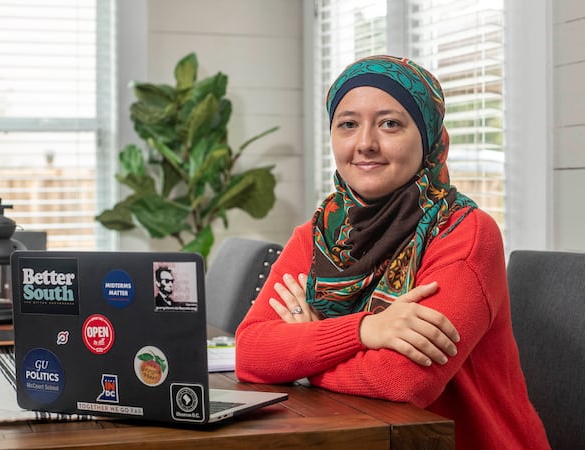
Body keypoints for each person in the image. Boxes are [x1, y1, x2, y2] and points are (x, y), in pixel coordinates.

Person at [235, 55, 550, 450]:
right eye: (348, 124)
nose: (365, 143)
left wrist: (300, 357)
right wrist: (366, 329)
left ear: (428, 136)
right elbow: (250, 352)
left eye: (390, 124)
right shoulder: (319, 233)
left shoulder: (464, 233)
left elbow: (402, 380)